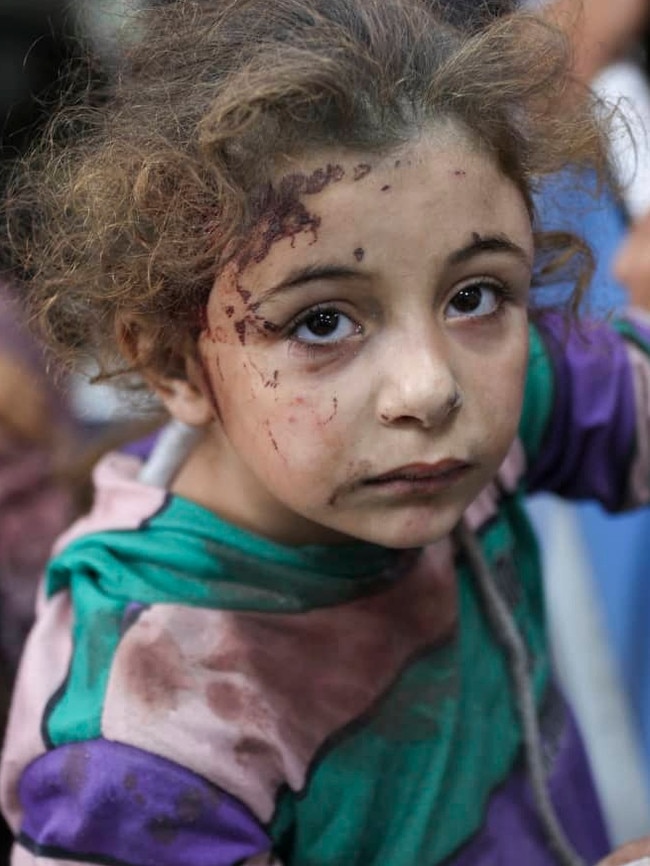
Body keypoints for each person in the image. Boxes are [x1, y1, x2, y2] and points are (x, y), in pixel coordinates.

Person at [1, 1, 650, 864]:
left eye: (473, 294)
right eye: (320, 323)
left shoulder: (500, 385)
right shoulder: (139, 742)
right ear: (173, 363)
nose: (429, 388)